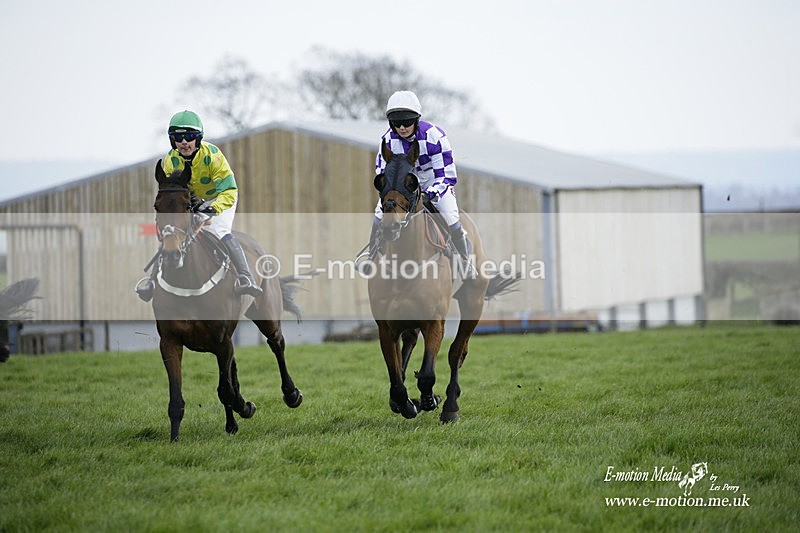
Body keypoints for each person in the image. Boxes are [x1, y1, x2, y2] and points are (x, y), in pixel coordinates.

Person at [135, 110, 262, 301]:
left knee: (219, 230)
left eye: (189, 136)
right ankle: (152, 281)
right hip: (192, 201)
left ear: (198, 138)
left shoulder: (213, 156)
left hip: (220, 197)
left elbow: (228, 190)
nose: (184, 142)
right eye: (178, 137)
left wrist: (212, 209)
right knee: (171, 231)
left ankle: (245, 277)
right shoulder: (170, 161)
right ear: (173, 140)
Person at [371, 90, 470, 264]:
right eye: (396, 123)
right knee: (379, 212)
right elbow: (382, 171)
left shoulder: (434, 136)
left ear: (416, 120)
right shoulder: (387, 140)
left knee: (450, 214)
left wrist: (429, 194)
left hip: (434, 184)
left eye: (407, 122)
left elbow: (446, 175)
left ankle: (464, 262)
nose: (402, 127)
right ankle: (370, 256)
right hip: (403, 189)